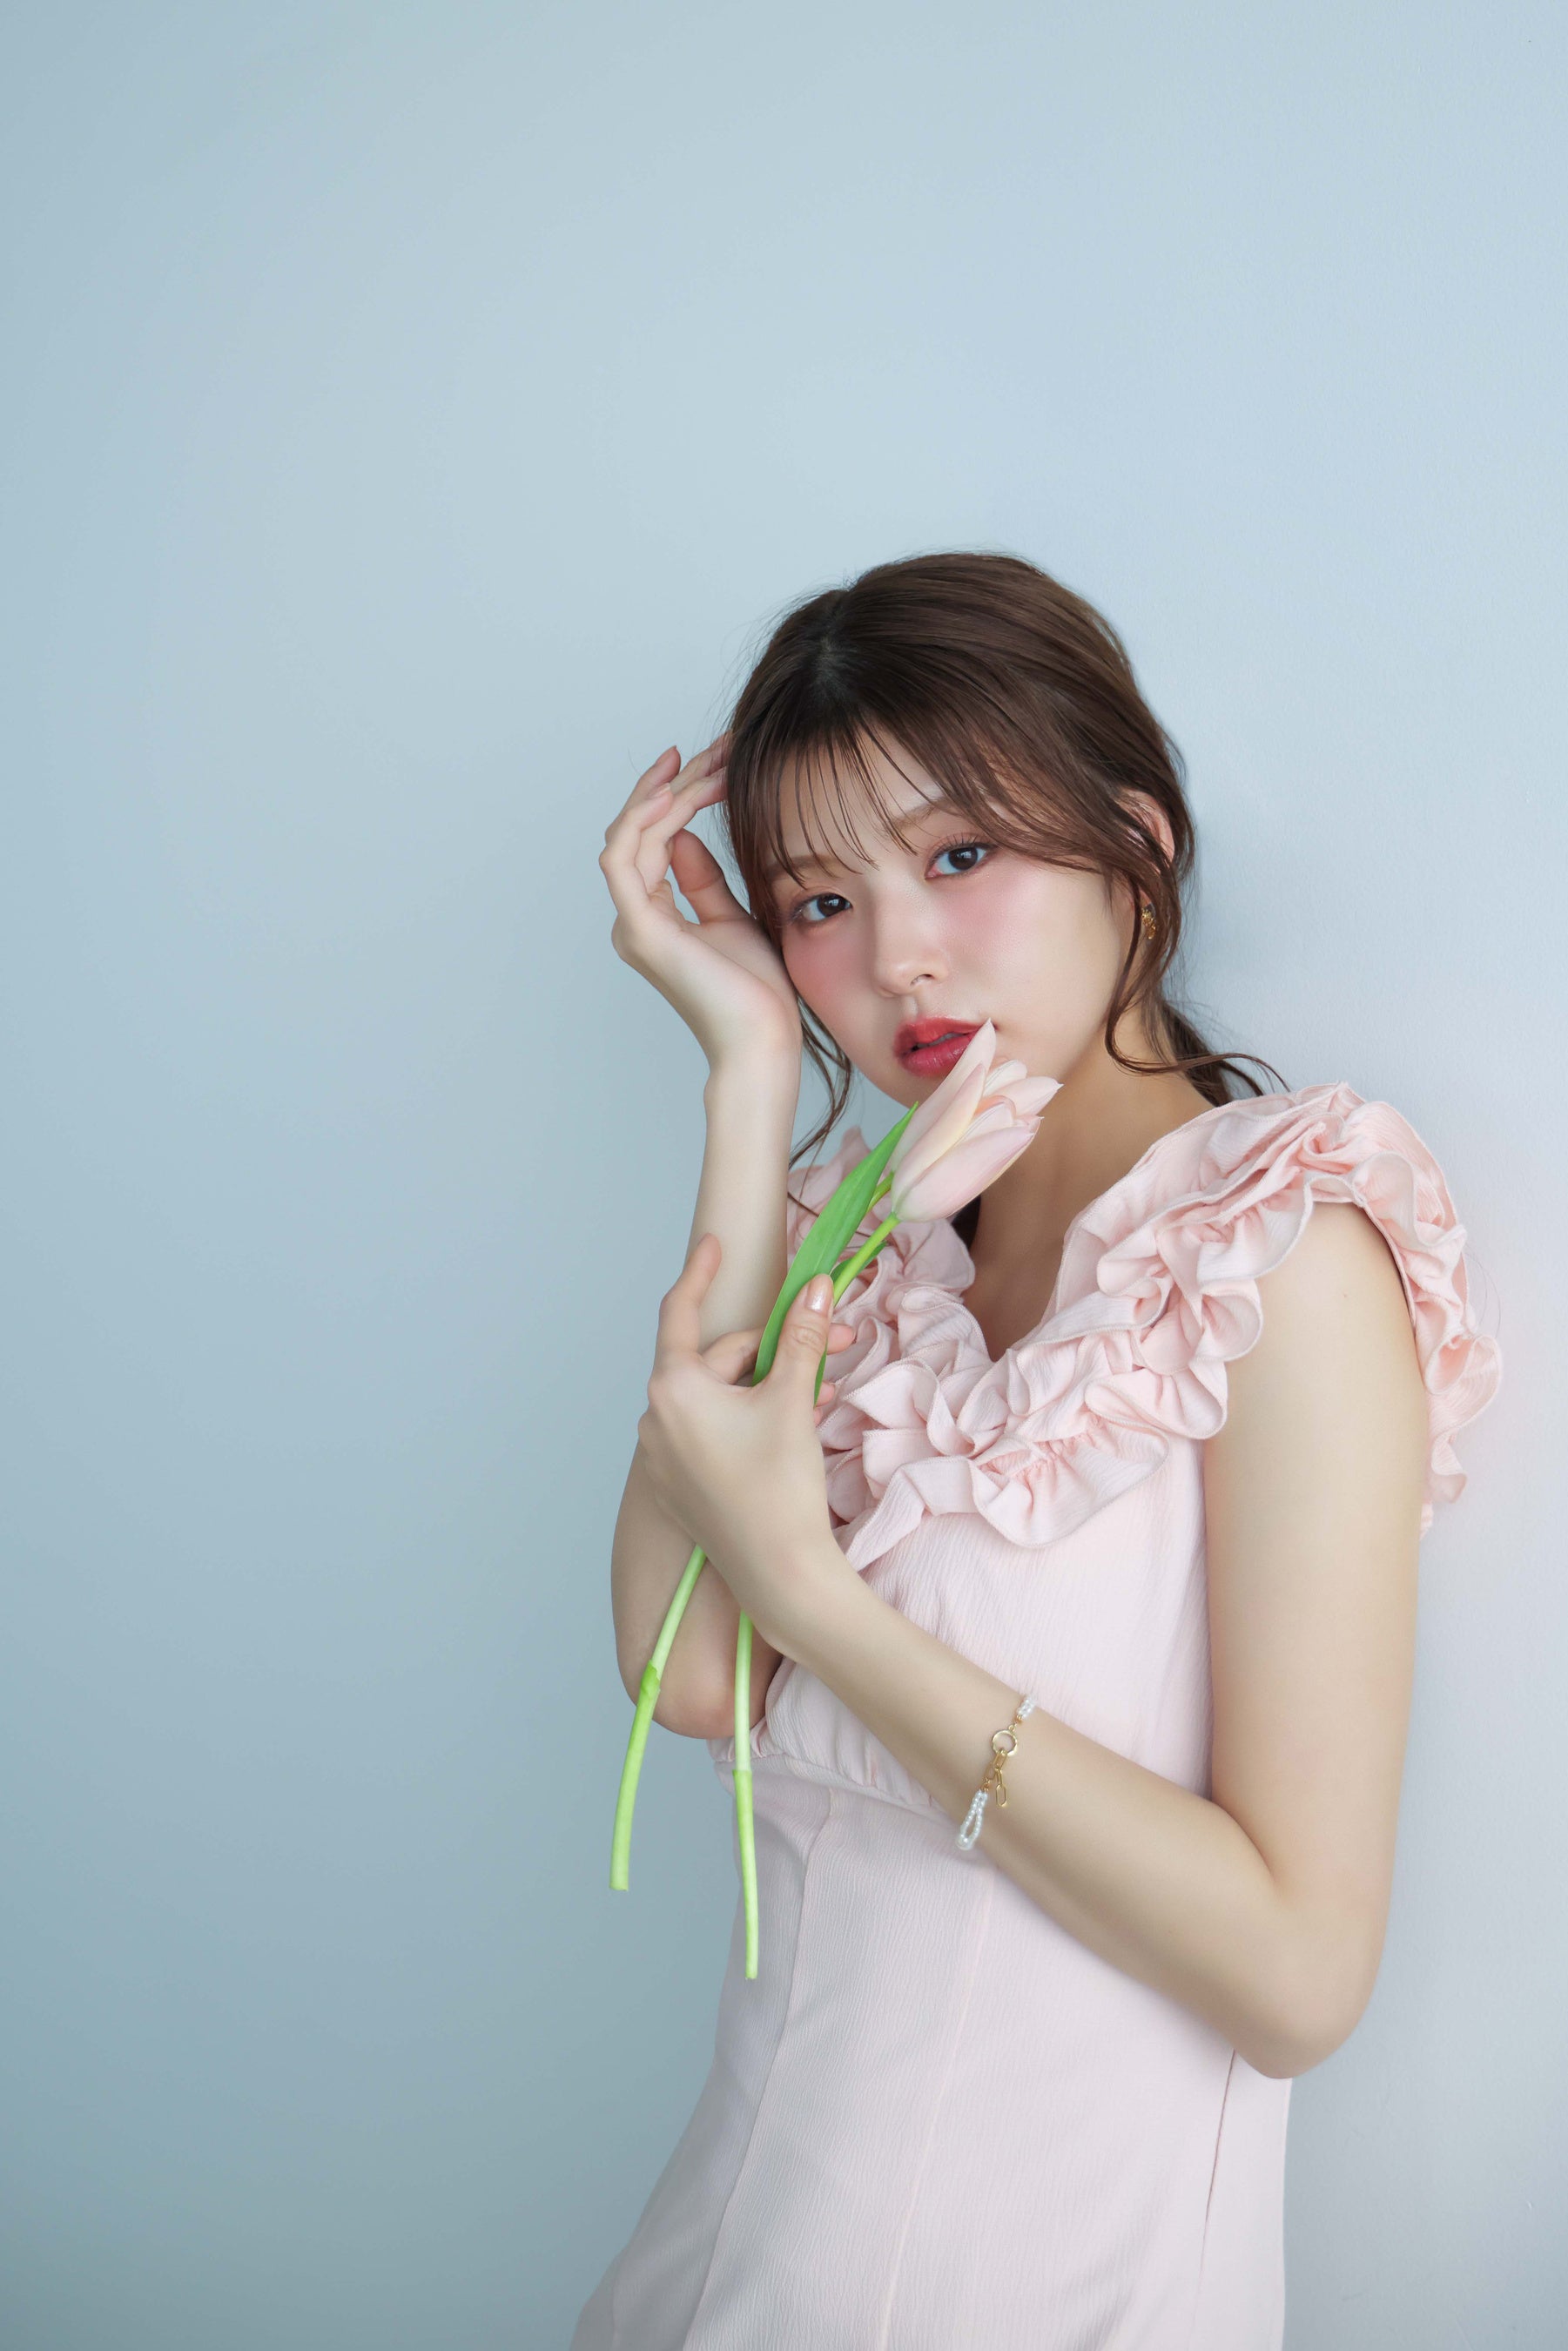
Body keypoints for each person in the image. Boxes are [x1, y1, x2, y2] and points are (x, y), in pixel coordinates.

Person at [573, 551, 1502, 2349]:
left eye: (958, 856)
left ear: (1131, 846)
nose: (893, 957)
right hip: (711, 2281)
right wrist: (749, 1081)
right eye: (818, 899)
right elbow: (685, 1672)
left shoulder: (1274, 1260)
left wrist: (820, 1608)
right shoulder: (869, 1243)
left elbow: (1297, 1979)